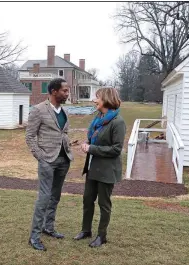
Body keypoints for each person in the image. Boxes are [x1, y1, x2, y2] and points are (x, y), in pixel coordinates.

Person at [73, 87, 126, 248]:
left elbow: (116, 149)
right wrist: (88, 144)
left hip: (107, 170)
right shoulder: (99, 118)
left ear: (107, 99)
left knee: (104, 204)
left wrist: (92, 149)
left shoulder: (118, 122)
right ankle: (85, 230)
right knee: (87, 200)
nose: (94, 100)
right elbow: (94, 138)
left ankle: (101, 236)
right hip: (92, 168)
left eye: (97, 97)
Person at [26, 78, 73, 251]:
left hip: (63, 160)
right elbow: (30, 136)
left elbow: (63, 132)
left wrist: (67, 146)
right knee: (44, 197)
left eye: (67, 91)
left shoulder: (64, 111)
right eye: (65, 91)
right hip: (47, 160)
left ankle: (48, 227)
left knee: (55, 196)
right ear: (54, 91)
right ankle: (34, 236)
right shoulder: (38, 110)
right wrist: (40, 156)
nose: (67, 94)